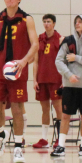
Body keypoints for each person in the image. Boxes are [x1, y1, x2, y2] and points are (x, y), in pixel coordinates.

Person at [0, 0, 38, 163]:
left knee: (16, 109)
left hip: (18, 70)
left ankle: (18, 146)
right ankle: (0, 135)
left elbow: (35, 44)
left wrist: (24, 61)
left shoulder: (27, 19)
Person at [51, 15, 82, 158]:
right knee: (65, 115)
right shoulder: (68, 41)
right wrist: (68, 75)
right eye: (76, 22)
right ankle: (60, 146)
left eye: (80, 22)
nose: (77, 24)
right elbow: (59, 61)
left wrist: (76, 58)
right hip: (69, 86)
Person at [32, 14, 62, 149]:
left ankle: (60, 138)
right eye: (44, 22)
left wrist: (64, 79)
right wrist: (34, 79)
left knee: (58, 108)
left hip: (55, 79)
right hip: (42, 79)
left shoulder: (60, 39)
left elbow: (65, 61)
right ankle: (44, 138)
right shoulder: (39, 39)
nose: (46, 24)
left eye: (49, 21)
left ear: (54, 23)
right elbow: (35, 62)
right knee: (44, 109)